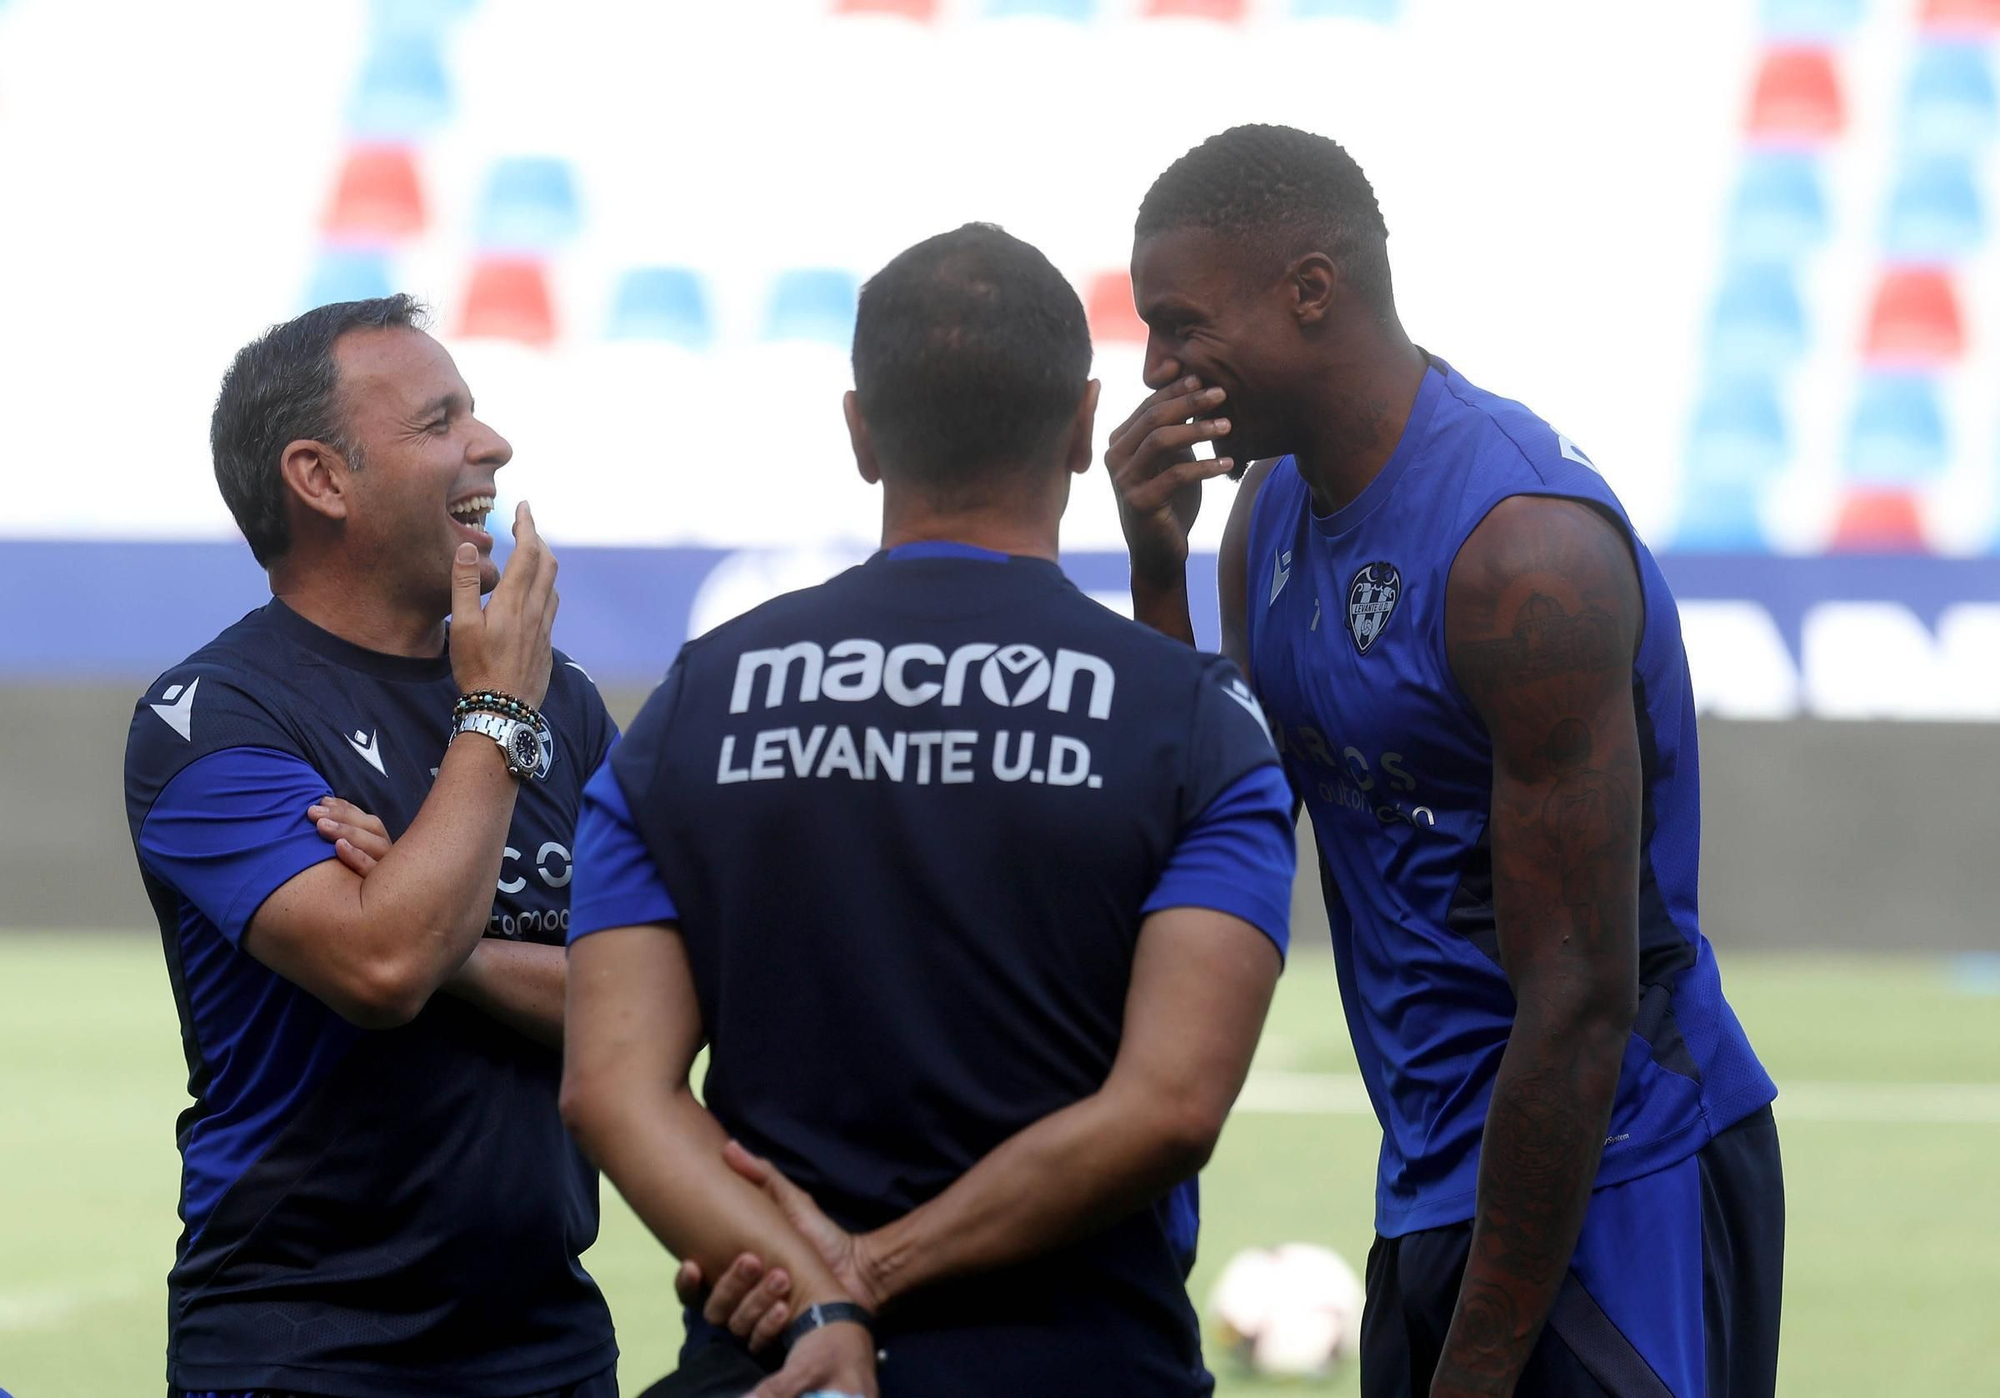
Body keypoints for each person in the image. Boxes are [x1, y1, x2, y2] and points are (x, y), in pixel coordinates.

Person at [558, 223, 1296, 1398]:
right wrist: (873, 1273)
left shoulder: (694, 702)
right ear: (1076, 426)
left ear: (859, 432)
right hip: (1080, 1368)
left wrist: (821, 1297)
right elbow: (1167, 1106)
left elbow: (612, 1085)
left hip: (780, 1372)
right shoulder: (1194, 723)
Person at [1106, 125, 1783, 1398]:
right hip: (1431, 1176)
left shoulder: (1519, 550)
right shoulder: (1267, 521)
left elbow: (1578, 1000)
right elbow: (1220, 841)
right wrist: (1158, 577)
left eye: (1178, 322)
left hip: (1623, 1170)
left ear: (1309, 291)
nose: (1153, 367)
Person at [122, 296, 619, 1397]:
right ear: (321, 478)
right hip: (301, 1352)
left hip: (552, 1346)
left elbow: (654, 1003)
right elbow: (383, 968)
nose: (490, 446)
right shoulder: (210, 716)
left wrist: (441, 925)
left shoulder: (564, 703)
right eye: (440, 421)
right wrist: (491, 718)